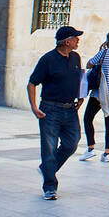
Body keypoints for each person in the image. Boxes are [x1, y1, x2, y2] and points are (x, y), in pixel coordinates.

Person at [28, 25, 85, 200]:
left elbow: (79, 79)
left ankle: (47, 168)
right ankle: (50, 186)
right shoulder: (48, 60)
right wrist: (34, 107)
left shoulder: (76, 57)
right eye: (75, 38)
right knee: (49, 149)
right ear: (67, 41)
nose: (78, 40)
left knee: (72, 143)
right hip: (50, 109)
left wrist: (80, 96)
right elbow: (32, 83)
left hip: (70, 108)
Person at [81, 31, 109, 163]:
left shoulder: (104, 53)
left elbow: (89, 64)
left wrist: (101, 50)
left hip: (98, 93)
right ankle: (107, 153)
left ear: (108, 42)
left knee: (88, 118)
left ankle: (90, 148)